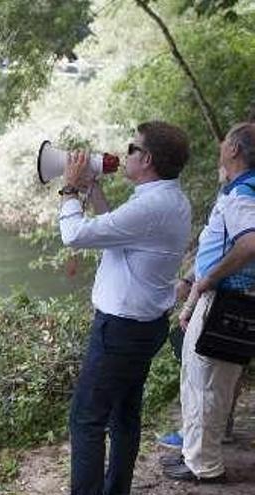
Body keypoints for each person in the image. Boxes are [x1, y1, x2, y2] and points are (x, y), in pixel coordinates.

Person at [60, 121, 192, 495]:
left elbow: (75, 235)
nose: (126, 152)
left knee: (86, 420)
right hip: (144, 327)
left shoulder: (152, 205)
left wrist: (69, 187)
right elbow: (116, 236)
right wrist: (94, 189)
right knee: (123, 416)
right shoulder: (167, 198)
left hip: (119, 330)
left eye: (132, 148)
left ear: (146, 159)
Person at [163, 122, 255, 483]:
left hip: (226, 300)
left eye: (224, 141)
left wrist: (209, 279)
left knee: (206, 384)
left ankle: (205, 466)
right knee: (204, 382)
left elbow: (249, 244)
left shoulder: (242, 194)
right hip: (227, 299)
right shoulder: (238, 191)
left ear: (234, 149)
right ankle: (196, 457)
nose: (219, 146)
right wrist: (193, 282)